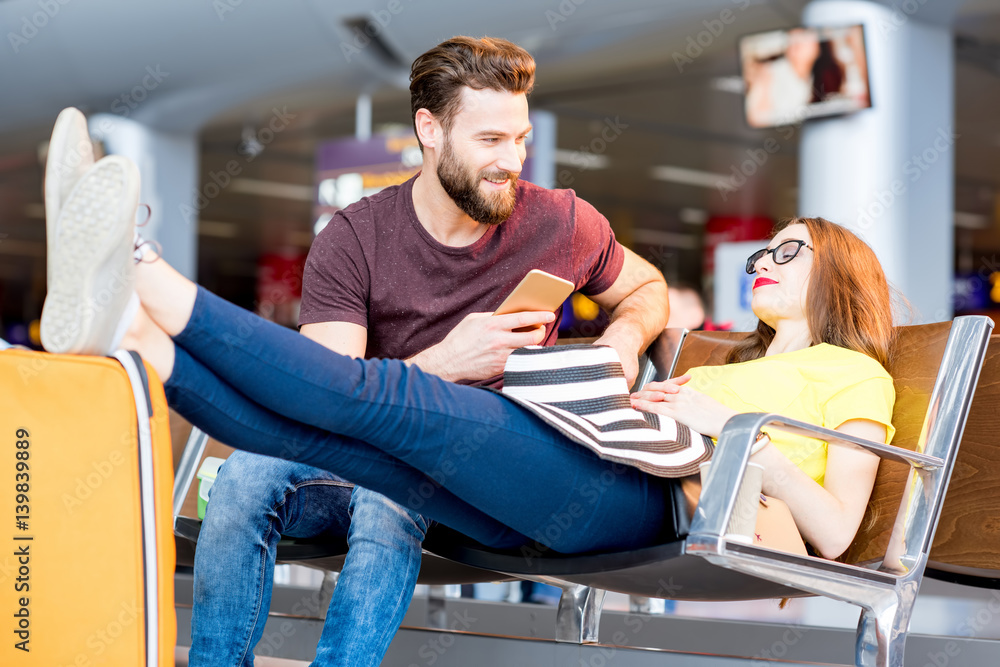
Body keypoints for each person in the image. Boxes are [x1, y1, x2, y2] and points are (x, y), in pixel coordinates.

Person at [41, 36, 669, 666]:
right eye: (490, 141)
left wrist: (624, 338)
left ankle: (139, 293)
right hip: (352, 455)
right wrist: (448, 362)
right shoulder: (356, 237)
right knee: (242, 478)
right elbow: (323, 394)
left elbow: (646, 287)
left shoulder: (560, 222)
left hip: (485, 484)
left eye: (521, 138)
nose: (513, 159)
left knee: (389, 495)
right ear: (430, 129)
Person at [42, 129, 897, 568]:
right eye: (763, 247)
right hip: (596, 459)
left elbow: (835, 531)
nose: (765, 261)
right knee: (349, 443)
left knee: (389, 400)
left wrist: (732, 432)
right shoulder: (732, 358)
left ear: (840, 279)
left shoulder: (854, 372)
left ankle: (145, 274)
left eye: (789, 250)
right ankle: (137, 340)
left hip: (652, 501)